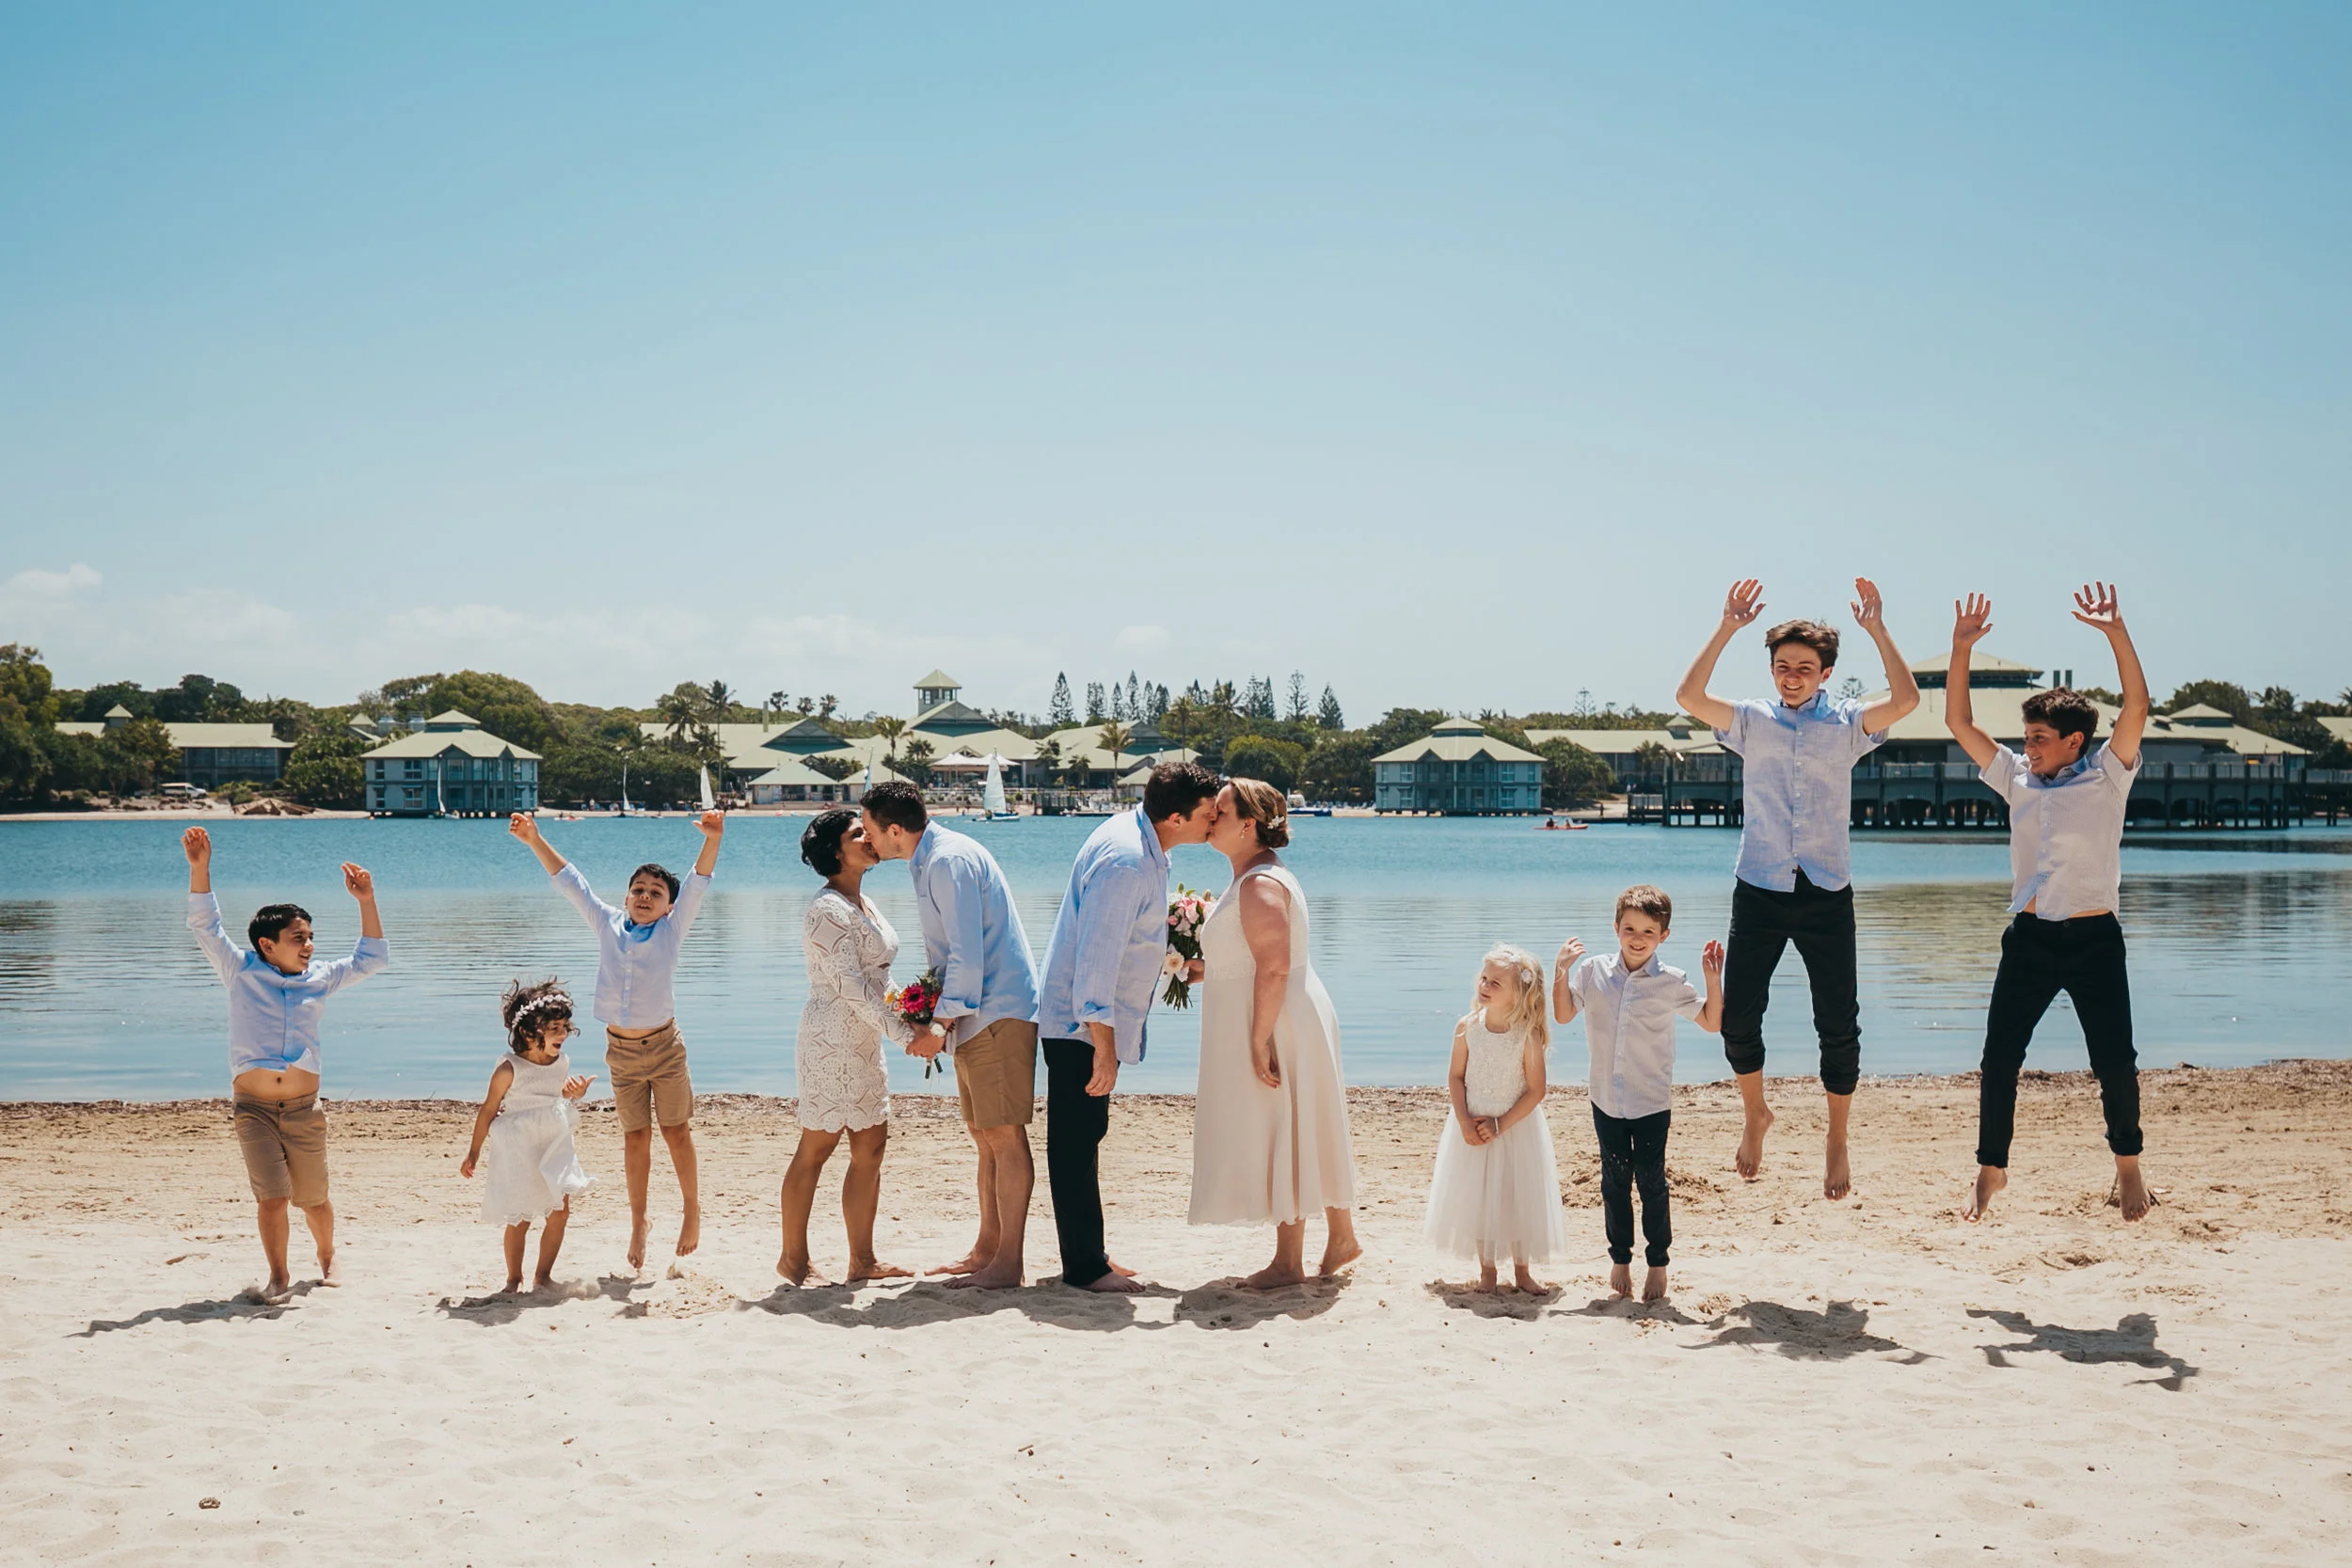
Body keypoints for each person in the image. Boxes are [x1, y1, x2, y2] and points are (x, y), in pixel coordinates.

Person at [1676, 576, 1919, 1198]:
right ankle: (1755, 1113)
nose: (1792, 676)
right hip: (1759, 885)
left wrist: (1877, 629)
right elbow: (1688, 695)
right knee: (1737, 1018)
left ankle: (1837, 1136)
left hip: (1826, 890)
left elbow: (1907, 699)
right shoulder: (1751, 720)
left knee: (1838, 1021)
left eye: (1804, 668)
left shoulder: (1848, 722)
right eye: (1783, 666)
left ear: (1826, 672)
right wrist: (1727, 626)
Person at [1944, 584, 2153, 1224]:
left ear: (2074, 740)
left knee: (2114, 1062)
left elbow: (2137, 705)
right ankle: (1991, 1167)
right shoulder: (2017, 778)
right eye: (2026, 737)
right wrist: (1961, 649)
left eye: (2038, 737)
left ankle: (2128, 1168)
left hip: (2094, 940)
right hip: (2030, 940)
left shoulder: (2108, 776)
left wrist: (2116, 632)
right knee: (1998, 1060)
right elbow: (1959, 724)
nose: (2028, 746)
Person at [1035, 760, 1222, 1292]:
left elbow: (1128, 939)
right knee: (1075, 1143)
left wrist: (1179, 960)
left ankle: (1090, 1254)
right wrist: (1104, 1046)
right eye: (1208, 814)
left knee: (1086, 1135)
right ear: (1177, 817)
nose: (1214, 821)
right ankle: (1084, 1269)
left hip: (1081, 1020)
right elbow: (1096, 962)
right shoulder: (1127, 862)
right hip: (1079, 1024)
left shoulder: (1143, 845)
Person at [508, 810, 724, 1271]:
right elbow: (572, 883)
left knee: (676, 1131)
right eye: (638, 889)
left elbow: (698, 882)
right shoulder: (606, 922)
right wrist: (534, 839)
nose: (645, 896)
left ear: (669, 906)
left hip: (665, 1048)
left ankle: (691, 1210)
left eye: (656, 893)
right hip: (621, 1053)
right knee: (635, 1138)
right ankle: (639, 1221)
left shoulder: (672, 929)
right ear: (626, 896)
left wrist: (712, 838)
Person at [181, 825, 389, 1304]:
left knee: (312, 1198)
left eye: (311, 936)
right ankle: (278, 1275)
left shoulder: (322, 977)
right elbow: (205, 926)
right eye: (298, 937)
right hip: (253, 1109)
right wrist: (200, 869)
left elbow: (372, 958)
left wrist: (366, 900)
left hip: (302, 1109)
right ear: (267, 945)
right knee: (272, 1198)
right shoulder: (240, 970)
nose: (309, 944)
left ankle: (328, 1256)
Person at [861, 780, 1041, 1290]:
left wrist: (939, 1025)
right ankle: (986, 1251)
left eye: (870, 829)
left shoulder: (947, 861)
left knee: (1003, 1135)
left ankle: (1008, 1262)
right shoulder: (930, 860)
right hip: (975, 1012)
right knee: (984, 1135)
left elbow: (967, 954)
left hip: (997, 1010)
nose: (867, 839)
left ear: (896, 830)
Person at [1189, 779, 1360, 1288]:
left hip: (1280, 1017)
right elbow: (1252, 958)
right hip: (1287, 1009)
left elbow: (1275, 966)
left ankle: (1289, 1262)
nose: (1210, 817)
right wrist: (1205, 969)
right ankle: (1341, 1236)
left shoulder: (1260, 883)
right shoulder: (1255, 875)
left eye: (1220, 811)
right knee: (1304, 1119)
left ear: (1248, 824)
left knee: (1286, 1123)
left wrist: (1259, 1037)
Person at [1552, 886, 1724, 1301]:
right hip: (1605, 1100)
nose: (1637, 938)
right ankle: (1620, 1258)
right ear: (1616, 928)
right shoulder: (1592, 971)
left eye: (1648, 931)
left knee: (1651, 1183)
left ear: (1663, 935)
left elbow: (1711, 1022)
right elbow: (1562, 1014)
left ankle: (1658, 1262)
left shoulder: (1670, 981)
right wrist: (1560, 970)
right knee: (1614, 1182)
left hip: (1650, 1101)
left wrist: (1712, 979)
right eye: (1629, 928)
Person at [778, 809, 916, 1287]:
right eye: (858, 833)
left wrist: (914, 1012)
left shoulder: (862, 901)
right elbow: (850, 987)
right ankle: (793, 1259)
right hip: (830, 1040)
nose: (869, 837)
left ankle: (862, 1260)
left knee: (871, 1145)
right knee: (817, 1146)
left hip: (864, 1039)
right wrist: (906, 1037)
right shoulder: (826, 910)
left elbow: (878, 978)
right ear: (837, 851)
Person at [1422, 946, 1567, 1294]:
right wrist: (1463, 1121)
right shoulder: (1467, 1027)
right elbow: (1456, 1077)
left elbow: (1536, 1090)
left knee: (1517, 1198)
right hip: (1473, 1122)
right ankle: (1487, 1271)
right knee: (1479, 1197)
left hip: (1514, 1127)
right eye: (1484, 978)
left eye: (1496, 983)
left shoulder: (1527, 1035)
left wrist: (1501, 1124)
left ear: (1519, 993)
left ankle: (1522, 1272)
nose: (1484, 986)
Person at [461, 978, 596, 1292]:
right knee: (520, 1216)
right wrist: (474, 1151)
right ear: (527, 1032)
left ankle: (543, 1276)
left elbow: (556, 1096)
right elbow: (488, 1110)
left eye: (564, 1026)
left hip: (553, 1140)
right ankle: (514, 1278)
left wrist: (574, 1094)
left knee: (560, 1211)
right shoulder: (509, 1069)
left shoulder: (561, 1062)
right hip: (519, 1145)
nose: (562, 1034)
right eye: (554, 1028)